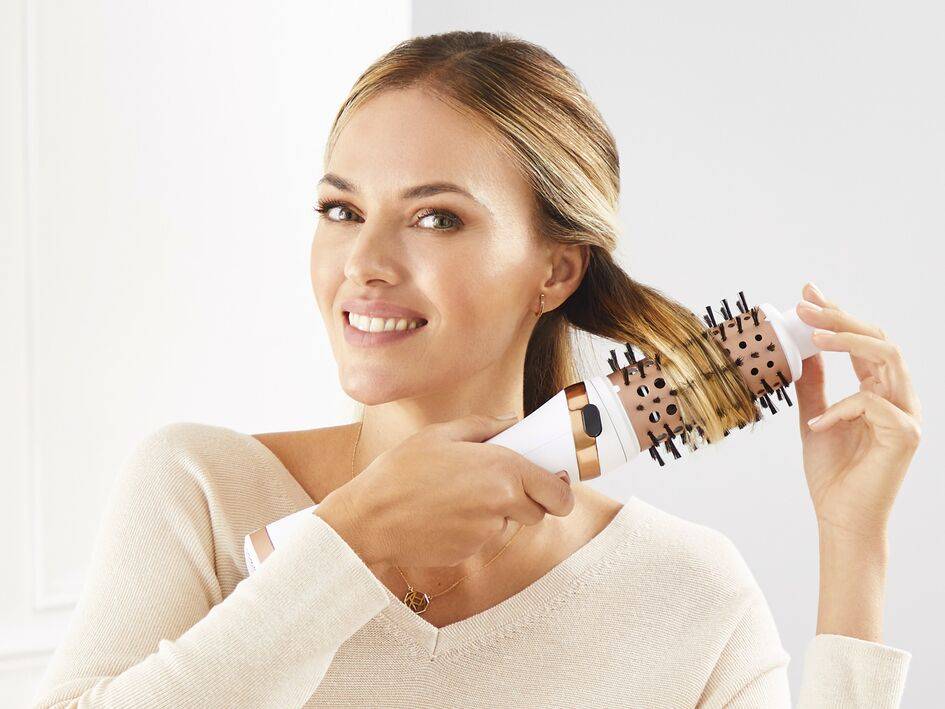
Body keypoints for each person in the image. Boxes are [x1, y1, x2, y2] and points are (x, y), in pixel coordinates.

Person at [33, 30, 921, 708]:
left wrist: (854, 546)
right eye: (341, 210)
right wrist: (351, 546)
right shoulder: (201, 491)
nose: (363, 263)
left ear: (556, 271)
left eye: (437, 219)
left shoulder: (686, 593)